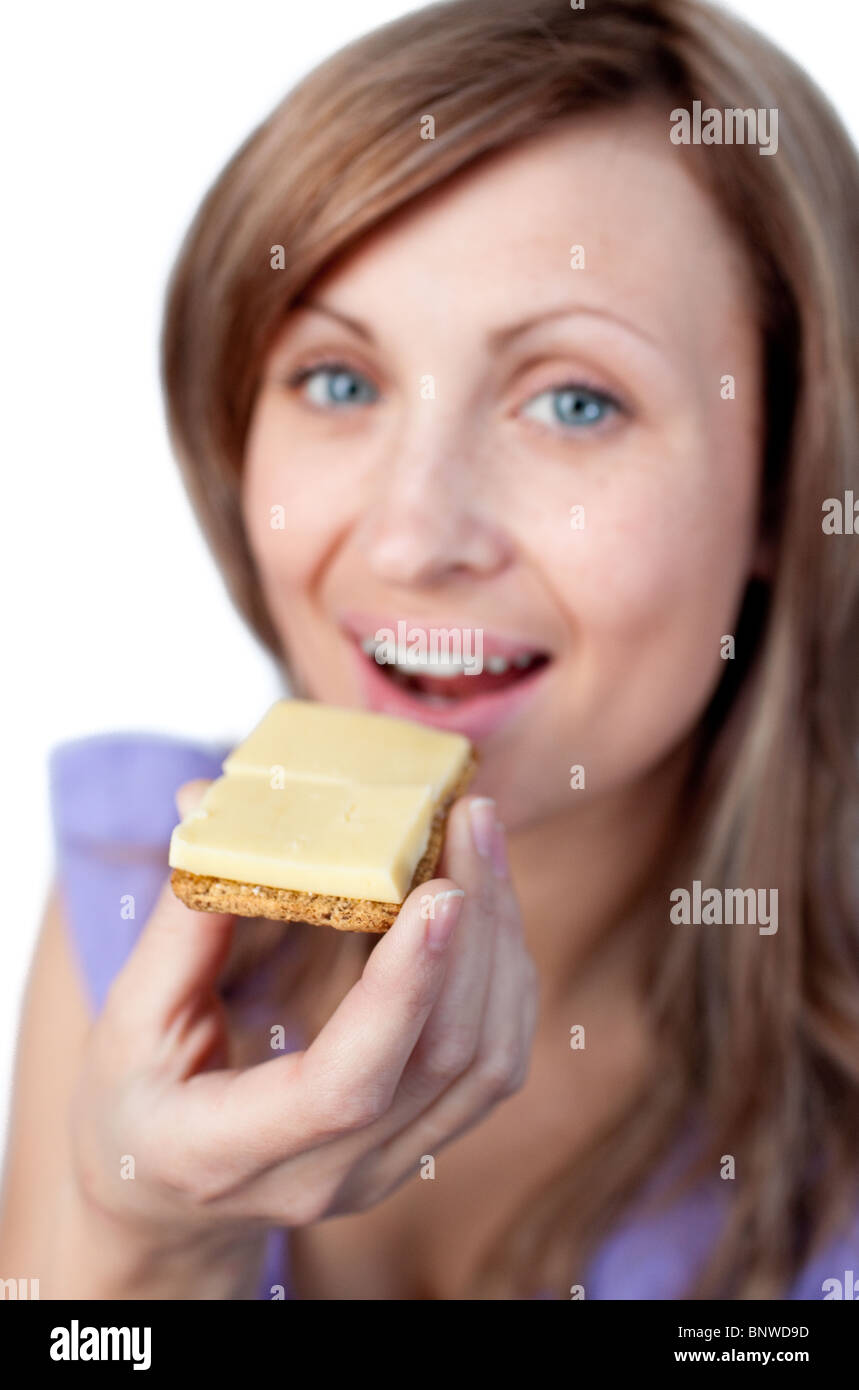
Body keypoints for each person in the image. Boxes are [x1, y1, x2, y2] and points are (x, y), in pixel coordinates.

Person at [2, 0, 857, 1300]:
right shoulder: (129, 896)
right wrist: (146, 1244)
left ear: (785, 481)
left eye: (574, 401)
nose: (412, 535)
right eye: (340, 380)